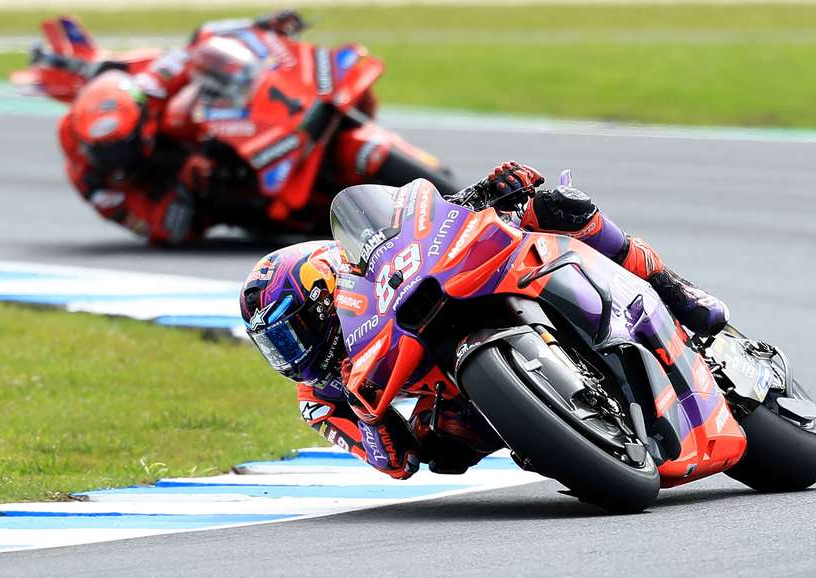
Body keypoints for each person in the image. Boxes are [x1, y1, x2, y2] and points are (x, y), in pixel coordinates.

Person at [239, 162, 730, 480]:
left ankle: (672, 288)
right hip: (454, 395)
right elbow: (396, 462)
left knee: (556, 207)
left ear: (327, 294)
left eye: (293, 331)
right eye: (275, 345)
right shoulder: (318, 399)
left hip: (466, 285)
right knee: (443, 452)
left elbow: (422, 228)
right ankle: (556, 435)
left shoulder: (365, 275)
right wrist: (365, 412)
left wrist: (488, 191)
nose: (292, 353)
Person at [57, 11, 304, 245]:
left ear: (141, 125)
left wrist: (260, 26)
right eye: (106, 153)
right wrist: (184, 186)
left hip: (208, 134)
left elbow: (199, 42)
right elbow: (157, 229)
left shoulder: (148, 89)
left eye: (121, 149)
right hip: (185, 193)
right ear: (86, 146)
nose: (117, 160)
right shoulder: (92, 182)